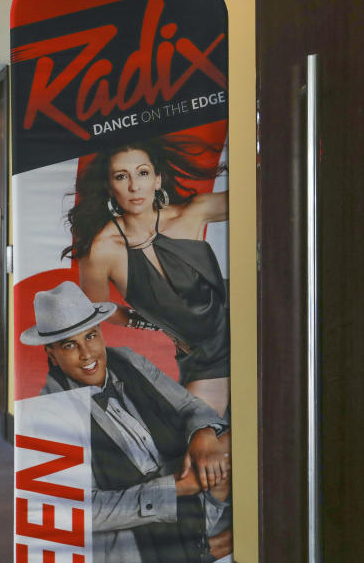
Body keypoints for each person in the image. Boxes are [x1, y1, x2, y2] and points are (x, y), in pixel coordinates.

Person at [22, 281, 233, 563]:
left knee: (233, 440)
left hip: (189, 503)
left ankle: (205, 544)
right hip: (132, 539)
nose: (87, 354)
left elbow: (187, 405)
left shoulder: (129, 360)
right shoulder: (46, 412)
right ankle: (205, 549)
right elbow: (74, 511)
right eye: (70, 345)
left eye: (91, 336)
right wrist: (176, 488)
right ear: (52, 355)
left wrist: (204, 433)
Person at [63, 136, 230, 416]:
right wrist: (150, 324)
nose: (133, 186)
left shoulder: (192, 212)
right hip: (205, 359)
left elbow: (265, 191)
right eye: (121, 176)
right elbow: (97, 310)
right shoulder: (102, 250)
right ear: (109, 185)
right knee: (199, 440)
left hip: (250, 331)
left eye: (142, 173)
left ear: (157, 179)